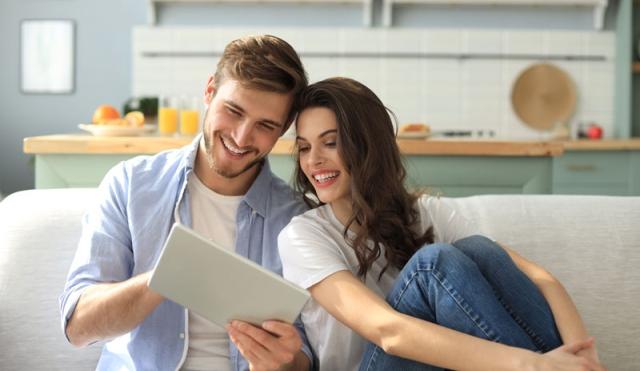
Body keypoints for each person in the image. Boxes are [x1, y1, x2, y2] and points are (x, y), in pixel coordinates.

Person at [278, 77, 605, 371]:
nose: (313, 160)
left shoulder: (424, 212)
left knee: (478, 250)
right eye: (304, 147)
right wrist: (533, 365)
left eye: (330, 142)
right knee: (429, 266)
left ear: (368, 145)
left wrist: (582, 355)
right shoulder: (302, 236)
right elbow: (388, 332)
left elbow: (541, 279)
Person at [60, 35, 315, 371]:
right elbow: (78, 328)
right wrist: (167, 275)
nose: (241, 138)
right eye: (233, 111)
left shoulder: (296, 216)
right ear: (209, 91)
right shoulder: (131, 184)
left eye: (265, 126)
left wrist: (287, 362)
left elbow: (307, 356)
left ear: (282, 130)